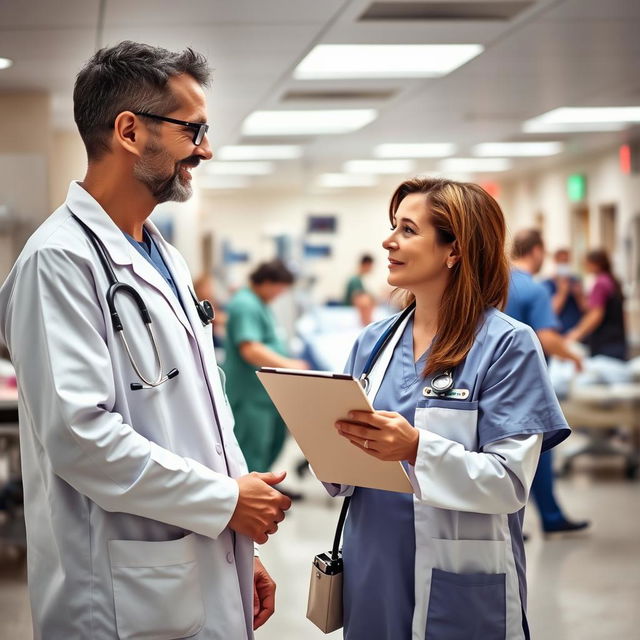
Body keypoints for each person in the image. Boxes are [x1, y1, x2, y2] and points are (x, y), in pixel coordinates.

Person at [0, 42, 291, 639]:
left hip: (196, 556)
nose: (205, 149)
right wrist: (223, 502)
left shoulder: (165, 259)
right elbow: (81, 437)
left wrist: (238, 541)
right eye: (194, 130)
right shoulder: (58, 261)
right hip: (119, 591)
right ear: (130, 131)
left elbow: (204, 418)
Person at [327, 177, 571, 639]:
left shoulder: (507, 345)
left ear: (453, 250)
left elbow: (509, 482)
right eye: (392, 227)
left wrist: (417, 447)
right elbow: (343, 469)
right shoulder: (373, 344)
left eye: (407, 229)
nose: (388, 240)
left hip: (458, 571)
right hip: (372, 568)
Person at [507, 229, 589, 534]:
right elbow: (547, 337)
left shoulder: (494, 281)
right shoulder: (534, 289)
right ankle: (550, 517)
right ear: (538, 251)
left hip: (490, 381)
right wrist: (574, 357)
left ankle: (509, 517)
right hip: (525, 385)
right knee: (538, 448)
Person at [223, 259, 308, 475]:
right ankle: (254, 500)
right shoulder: (245, 304)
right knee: (252, 450)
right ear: (267, 282)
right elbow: (250, 349)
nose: (279, 295)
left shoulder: (259, 303)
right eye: (279, 289)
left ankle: (266, 489)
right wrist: (291, 365)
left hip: (265, 395)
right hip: (250, 395)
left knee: (270, 445)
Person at [566, 249, 628, 360]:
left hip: (605, 345)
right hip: (616, 342)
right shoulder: (612, 280)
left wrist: (575, 335)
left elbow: (595, 315)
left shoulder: (601, 283)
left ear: (595, 264)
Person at [542, 248, 584, 334]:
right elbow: (551, 312)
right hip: (556, 333)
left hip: (575, 333)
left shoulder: (576, 281)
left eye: (566, 261)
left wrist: (579, 295)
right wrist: (562, 292)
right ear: (555, 262)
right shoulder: (546, 284)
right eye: (562, 261)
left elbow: (585, 308)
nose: (564, 264)